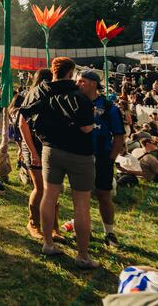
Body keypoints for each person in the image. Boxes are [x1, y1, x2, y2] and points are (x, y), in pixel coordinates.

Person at [20, 57, 98, 269]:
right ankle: (83, 256)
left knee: (49, 196)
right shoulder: (78, 96)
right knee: (81, 205)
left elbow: (24, 115)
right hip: (78, 153)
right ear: (71, 73)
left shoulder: (39, 91)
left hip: (50, 149)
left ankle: (48, 244)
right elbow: (86, 128)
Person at [78, 69, 125, 247]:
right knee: (81, 196)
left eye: (82, 81)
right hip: (80, 157)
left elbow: (119, 136)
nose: (78, 84)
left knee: (104, 195)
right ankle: (85, 229)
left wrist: (110, 160)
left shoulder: (109, 107)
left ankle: (109, 232)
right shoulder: (76, 102)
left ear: (93, 83)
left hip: (102, 157)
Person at [16, 68, 63, 242]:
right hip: (33, 145)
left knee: (53, 189)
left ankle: (54, 227)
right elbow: (22, 126)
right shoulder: (31, 97)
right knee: (41, 187)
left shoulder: (55, 97)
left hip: (49, 146)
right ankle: (33, 223)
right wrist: (33, 152)